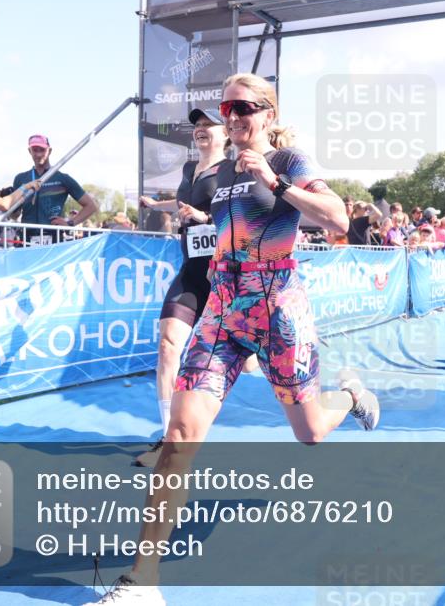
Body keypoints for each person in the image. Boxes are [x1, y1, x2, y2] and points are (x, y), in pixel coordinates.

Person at [85, 73, 380, 606]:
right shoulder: (217, 171)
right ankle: (141, 583)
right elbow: (212, 224)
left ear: (267, 114)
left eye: (245, 106)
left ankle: (351, 396)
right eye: (227, 107)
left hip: (277, 308)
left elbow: (337, 220)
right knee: (179, 433)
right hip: (223, 309)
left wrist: (274, 180)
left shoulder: (290, 161)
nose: (234, 116)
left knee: (310, 431)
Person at [134, 108, 257, 469]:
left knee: (247, 361)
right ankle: (168, 439)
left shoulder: (234, 170)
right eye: (197, 126)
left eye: (209, 126)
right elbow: (186, 202)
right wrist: (160, 205)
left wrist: (206, 218)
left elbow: (241, 214)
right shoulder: (190, 170)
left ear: (225, 134)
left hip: (224, 274)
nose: (201, 131)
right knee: (169, 342)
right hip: (192, 268)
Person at [11, 134, 98, 245]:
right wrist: (11, 205)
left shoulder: (62, 178)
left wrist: (70, 223)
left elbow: (91, 206)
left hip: (53, 240)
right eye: (35, 150)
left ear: (49, 151)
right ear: (29, 151)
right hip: (26, 239)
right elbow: (14, 216)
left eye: (42, 150)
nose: (38, 154)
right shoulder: (21, 179)